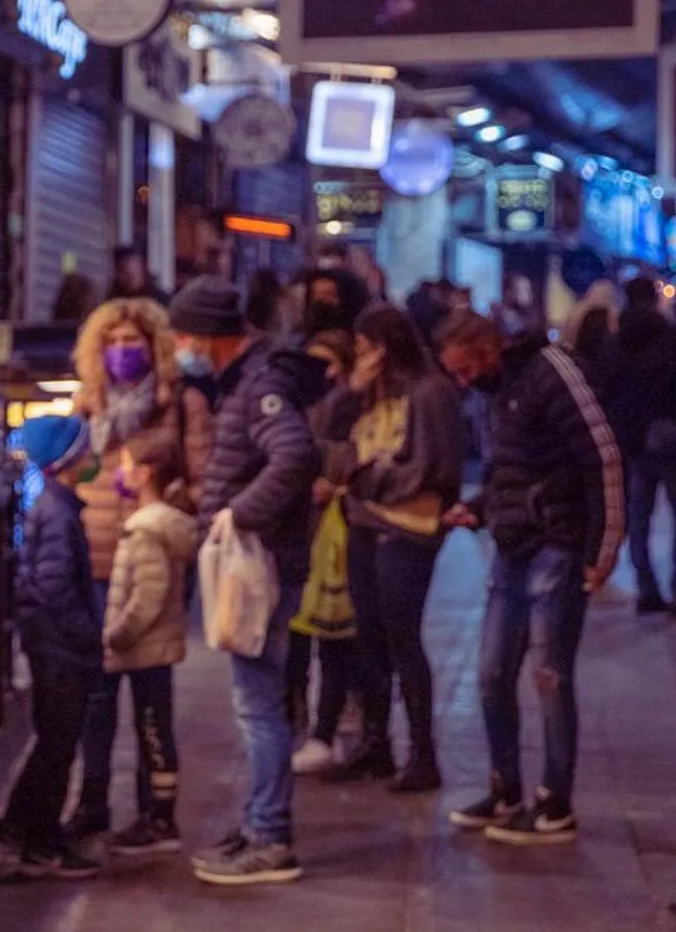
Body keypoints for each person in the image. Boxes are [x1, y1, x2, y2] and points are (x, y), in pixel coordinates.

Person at [434, 310, 624, 845]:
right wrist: (479, 506)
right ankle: (504, 788)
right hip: (513, 547)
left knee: (549, 675)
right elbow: (511, 468)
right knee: (493, 673)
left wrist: (603, 546)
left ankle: (554, 802)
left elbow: (603, 457)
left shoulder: (551, 370)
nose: (462, 381)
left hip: (556, 546)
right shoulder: (500, 391)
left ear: (488, 349)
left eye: (466, 369)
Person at [170, 279, 328, 886]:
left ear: (208, 336)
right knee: (258, 700)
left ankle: (269, 835)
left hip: (262, 562)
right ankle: (261, 823)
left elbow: (294, 455)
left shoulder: (258, 385)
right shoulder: (246, 381)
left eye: (185, 336)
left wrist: (240, 513)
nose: (181, 347)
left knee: (257, 704)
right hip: (265, 557)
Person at [65, 298, 213, 844]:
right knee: (97, 692)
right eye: (113, 342)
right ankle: (93, 800)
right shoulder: (87, 406)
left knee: (152, 690)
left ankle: (158, 810)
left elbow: (204, 484)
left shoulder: (182, 406)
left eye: (134, 343)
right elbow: (72, 471)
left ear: (156, 348)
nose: (123, 352)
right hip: (97, 559)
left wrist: (167, 497)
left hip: (152, 559)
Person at [321, 304, 463, 792]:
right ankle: (376, 743)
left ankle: (422, 753)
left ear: (385, 346)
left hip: (407, 525)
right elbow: (329, 433)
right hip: (362, 520)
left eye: (365, 348)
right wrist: (353, 387)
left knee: (403, 636)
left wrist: (370, 479)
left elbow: (435, 465)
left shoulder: (429, 393)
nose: (360, 357)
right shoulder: (368, 395)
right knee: (369, 636)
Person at [0, 414, 105, 880]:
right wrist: (87, 636)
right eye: (85, 451)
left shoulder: (52, 506)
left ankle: (19, 824)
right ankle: (42, 842)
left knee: (51, 741)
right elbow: (55, 586)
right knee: (59, 744)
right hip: (60, 649)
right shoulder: (58, 513)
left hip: (49, 644)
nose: (92, 459)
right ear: (66, 460)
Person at [99, 430, 200, 856]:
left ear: (144, 474)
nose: (119, 473)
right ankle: (157, 814)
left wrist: (116, 635)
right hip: (155, 646)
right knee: (153, 726)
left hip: (145, 647)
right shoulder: (163, 523)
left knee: (153, 729)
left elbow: (148, 595)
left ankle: (159, 819)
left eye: (125, 465)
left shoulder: (146, 528)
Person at [287, 330, 360, 776]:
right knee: (293, 643)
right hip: (298, 537)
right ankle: (293, 725)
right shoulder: (292, 410)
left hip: (338, 537)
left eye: (330, 364)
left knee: (335, 642)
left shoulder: (350, 406)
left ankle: (325, 731)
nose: (323, 375)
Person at [612, 277, 676, 615]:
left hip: (634, 441)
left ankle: (647, 589)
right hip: (675, 438)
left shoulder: (616, 343)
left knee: (639, 516)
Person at [304, 266, 371, 339]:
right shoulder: (299, 343)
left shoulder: (363, 341)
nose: (319, 300)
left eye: (328, 294)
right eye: (314, 294)